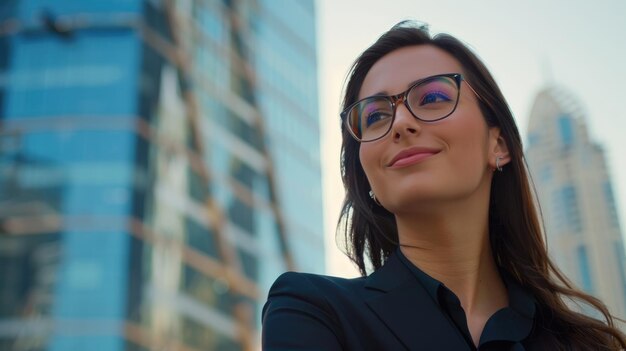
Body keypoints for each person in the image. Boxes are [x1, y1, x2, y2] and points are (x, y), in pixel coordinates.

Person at [261, 21, 626, 350]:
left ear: (497, 145)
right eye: (375, 116)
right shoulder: (312, 311)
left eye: (433, 98)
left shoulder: (585, 344)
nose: (400, 123)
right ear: (366, 171)